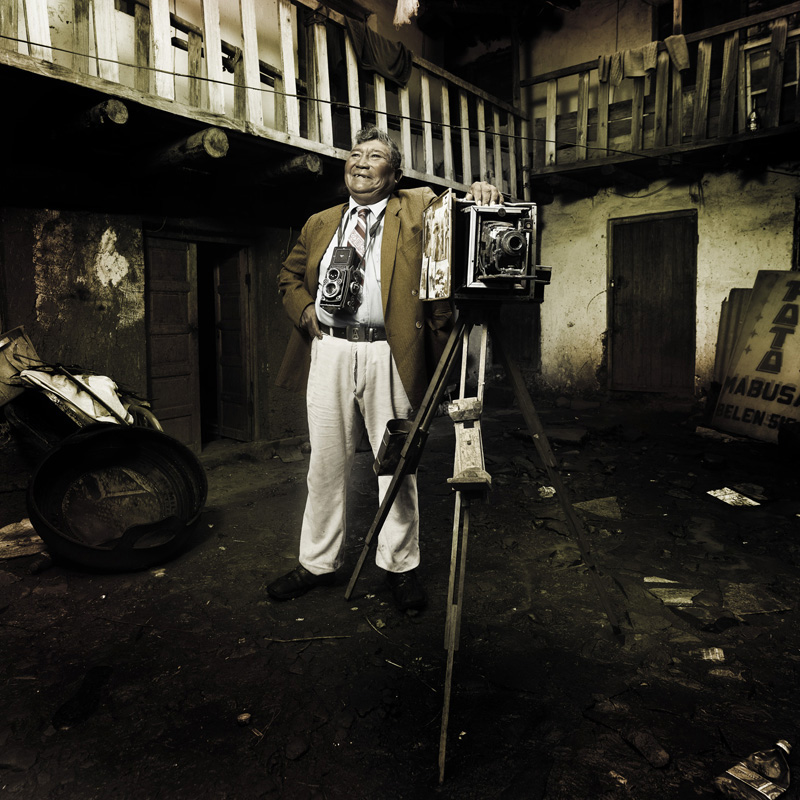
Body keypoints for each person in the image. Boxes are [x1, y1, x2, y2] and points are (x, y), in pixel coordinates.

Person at [268, 125, 502, 611]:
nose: (360, 161)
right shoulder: (321, 222)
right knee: (324, 465)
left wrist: (479, 192)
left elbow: (458, 211)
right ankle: (317, 563)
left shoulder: (416, 207)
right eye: (355, 153)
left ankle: (399, 567)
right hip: (330, 349)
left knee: (395, 466)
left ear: (394, 175)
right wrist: (305, 309)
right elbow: (288, 276)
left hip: (389, 352)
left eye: (374, 156)